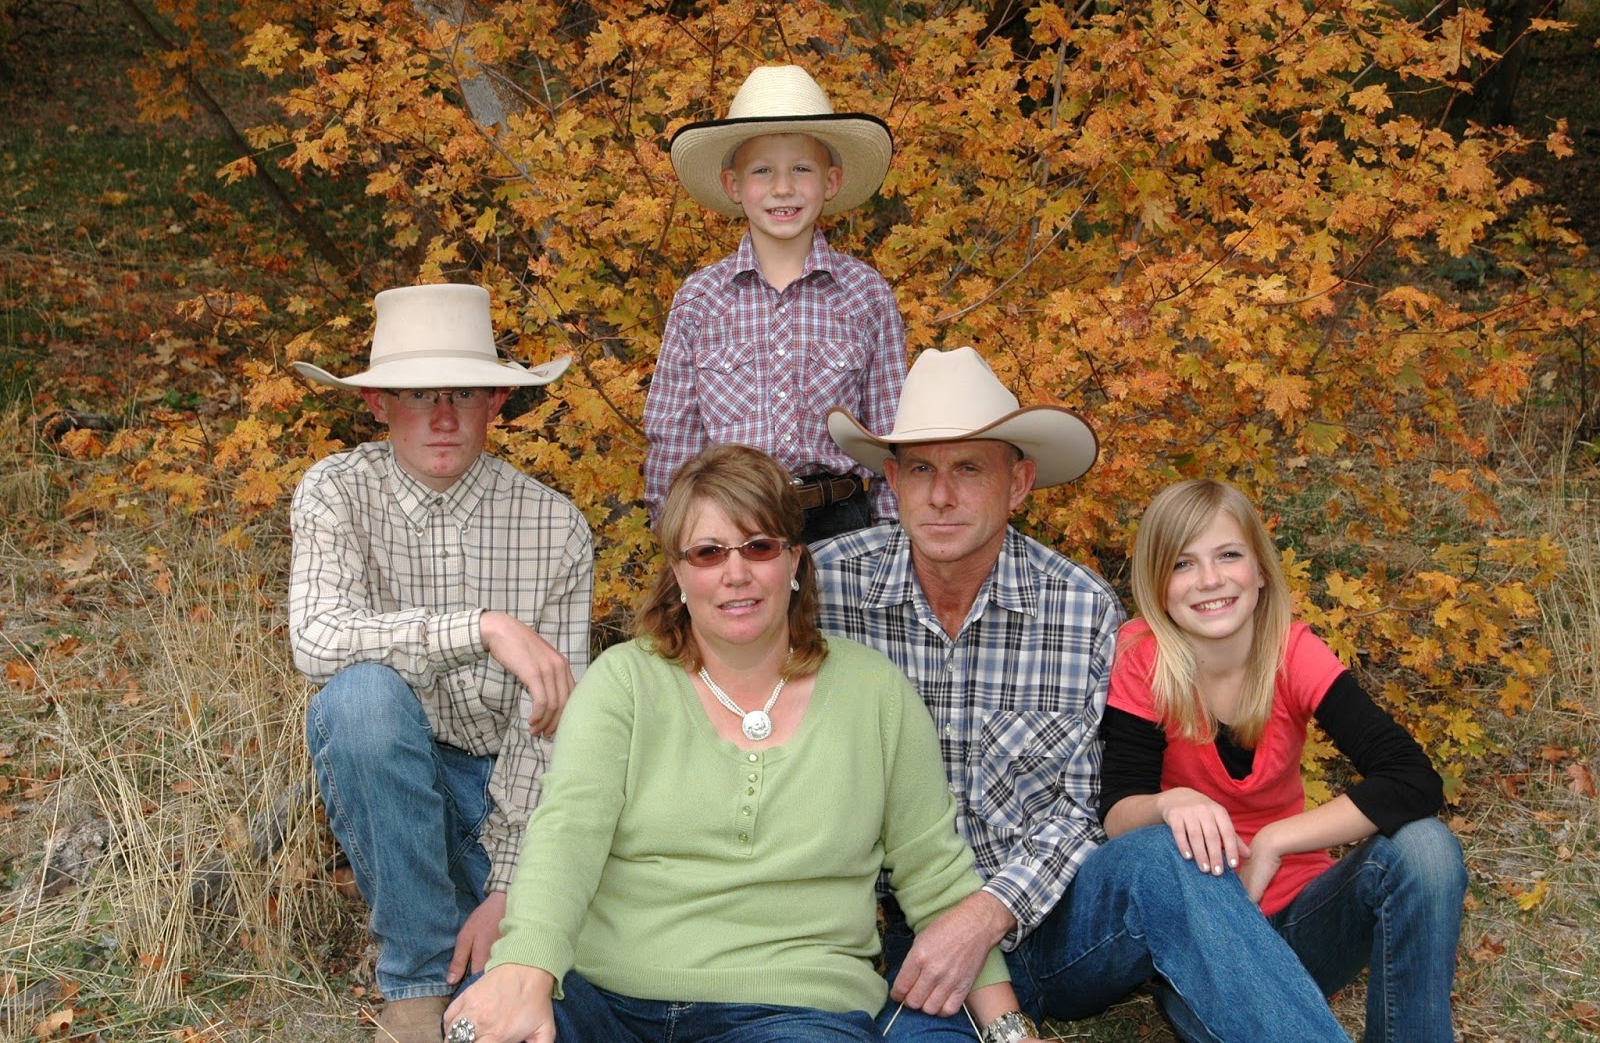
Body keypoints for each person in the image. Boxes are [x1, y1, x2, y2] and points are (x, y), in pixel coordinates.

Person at [812, 345, 1357, 1041]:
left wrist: (986, 914)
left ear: (1018, 483)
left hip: (1059, 925)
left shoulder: (1077, 607)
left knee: (1164, 855)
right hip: (912, 939)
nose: (941, 495)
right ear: (890, 481)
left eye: (969, 468)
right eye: (921, 469)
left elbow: (1081, 810)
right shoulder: (826, 588)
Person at [441, 444, 1040, 1043]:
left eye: (758, 547)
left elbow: (936, 873)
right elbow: (567, 834)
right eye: (707, 553)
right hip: (607, 997)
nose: (736, 573)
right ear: (677, 574)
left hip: (791, 1012)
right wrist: (526, 966)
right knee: (482, 1024)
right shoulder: (624, 683)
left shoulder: (875, 694)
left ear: (794, 562)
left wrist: (1008, 1027)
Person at [288, 283, 594, 1043]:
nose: (444, 416)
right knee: (358, 701)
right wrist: (481, 627)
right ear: (377, 404)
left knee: (533, 998)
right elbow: (316, 638)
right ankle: (417, 979)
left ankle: (489, 932)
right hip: (397, 781)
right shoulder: (336, 491)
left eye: (463, 393)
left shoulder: (554, 526)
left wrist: (512, 886)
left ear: (497, 401)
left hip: (510, 793)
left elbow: (552, 728)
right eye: (419, 394)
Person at [1100, 478, 1467, 1042]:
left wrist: (1274, 840)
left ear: (1261, 569)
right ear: (1157, 583)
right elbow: (1118, 815)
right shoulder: (1142, 659)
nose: (1210, 580)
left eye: (1228, 555)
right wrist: (1171, 802)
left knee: (1427, 847)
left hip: (1303, 919)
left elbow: (1413, 778)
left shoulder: (1293, 652)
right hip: (1205, 942)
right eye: (1182, 563)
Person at [644, 63, 907, 543]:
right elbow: (673, 436)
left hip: (840, 524)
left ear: (830, 182)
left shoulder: (867, 295)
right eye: (763, 171)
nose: (783, 188)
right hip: (729, 521)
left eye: (801, 169)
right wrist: (678, 540)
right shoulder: (699, 301)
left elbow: (891, 430)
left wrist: (891, 538)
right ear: (733, 186)